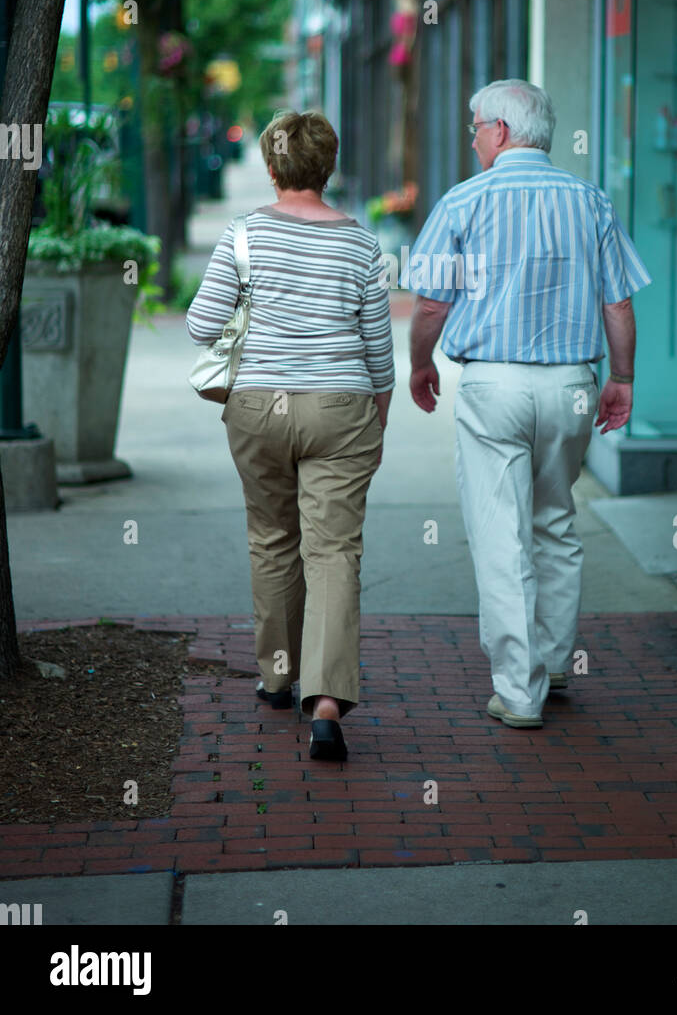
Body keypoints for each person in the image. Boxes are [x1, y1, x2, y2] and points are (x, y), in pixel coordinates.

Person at [406, 79, 651, 728]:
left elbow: (432, 302)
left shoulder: (462, 202)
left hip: (494, 387)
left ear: (502, 131)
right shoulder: (589, 200)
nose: (473, 137)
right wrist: (620, 376)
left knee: (500, 534)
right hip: (572, 383)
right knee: (555, 523)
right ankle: (554, 660)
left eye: (475, 126)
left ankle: (520, 690)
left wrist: (420, 362)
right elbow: (618, 301)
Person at [186, 110, 394, 761]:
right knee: (333, 552)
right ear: (327, 168)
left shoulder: (242, 236)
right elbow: (380, 355)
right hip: (342, 406)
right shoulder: (362, 245)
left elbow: (199, 326)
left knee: (273, 538)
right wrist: (375, 417)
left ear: (272, 169)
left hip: (258, 409)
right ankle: (327, 702)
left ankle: (278, 675)